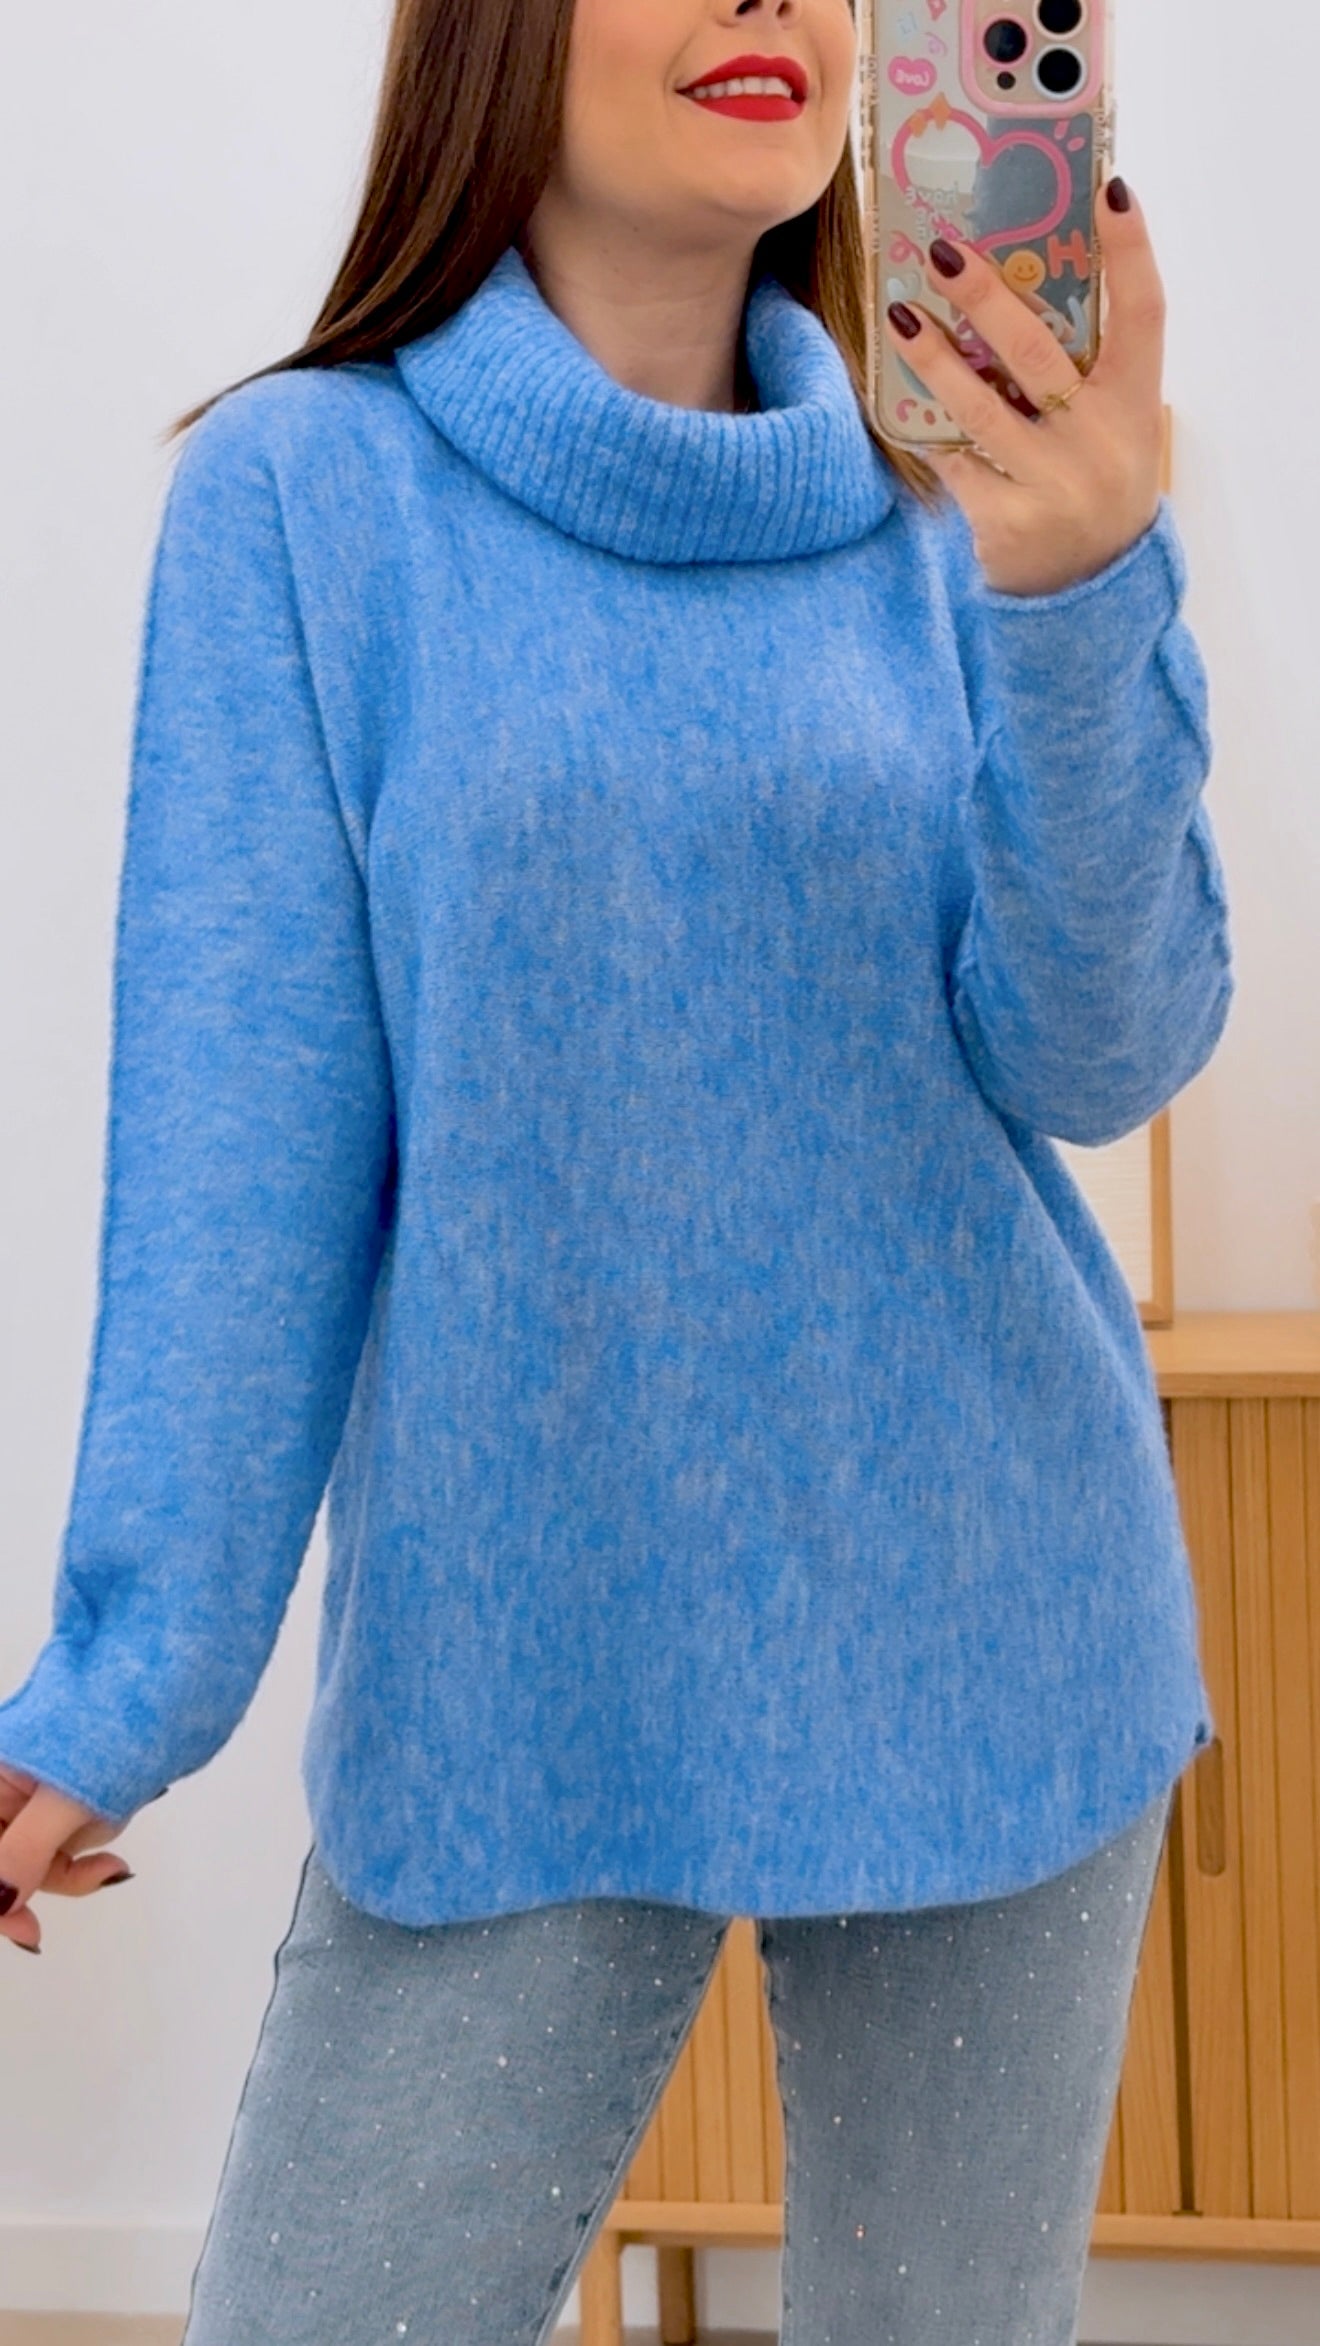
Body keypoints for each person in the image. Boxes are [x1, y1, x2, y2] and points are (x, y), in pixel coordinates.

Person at [0, 0, 1233, 2336]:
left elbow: (1106, 1050)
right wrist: (126, 1678)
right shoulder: (308, 496)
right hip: (523, 1667)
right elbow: (242, 1148)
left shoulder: (963, 485)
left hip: (1001, 1620)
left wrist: (1081, 588)